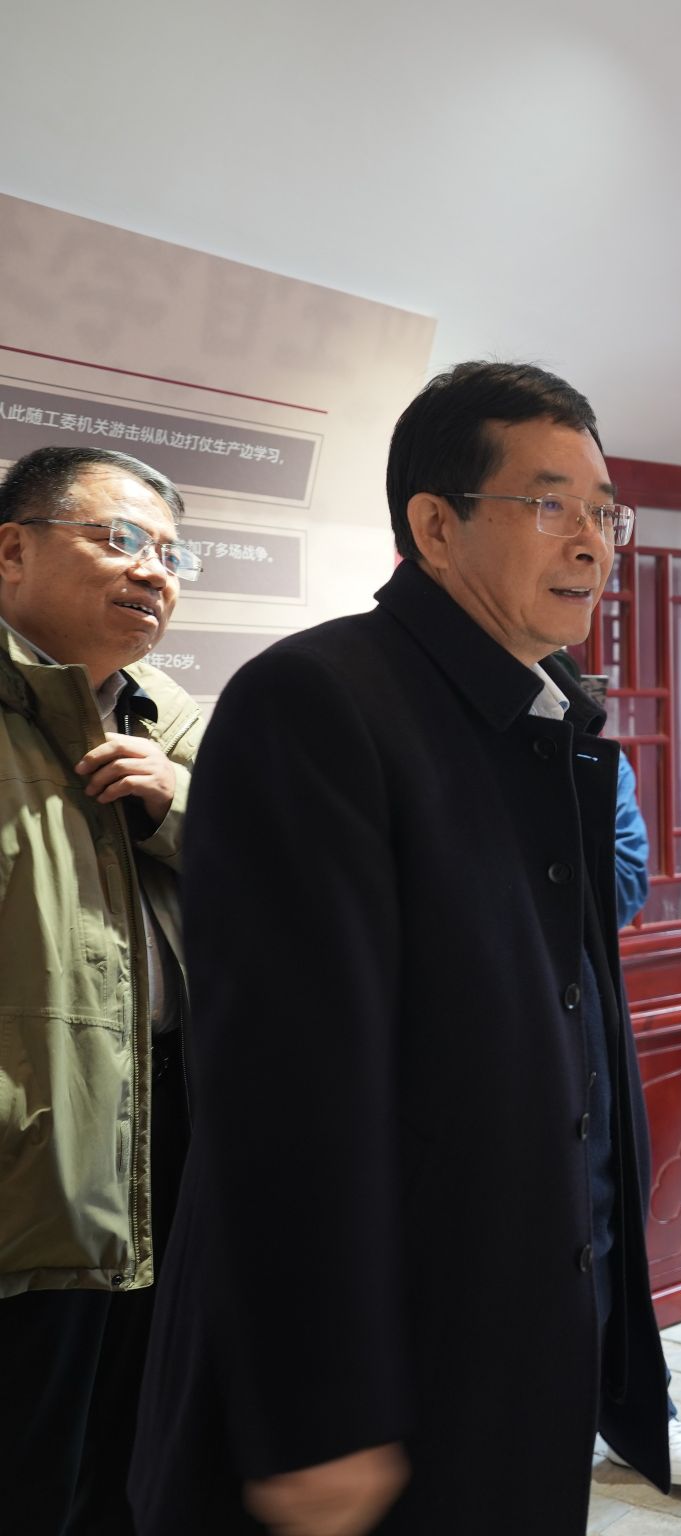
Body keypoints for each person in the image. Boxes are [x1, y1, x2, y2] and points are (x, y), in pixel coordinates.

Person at [129, 362, 671, 1535]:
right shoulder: (317, 704)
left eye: (602, 510)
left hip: (509, 1339)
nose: (591, 542)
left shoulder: (545, 717)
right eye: (550, 504)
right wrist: (320, 1416)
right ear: (434, 526)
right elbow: (283, 1092)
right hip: (376, 1381)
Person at [0, 445, 203, 1535]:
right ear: (12, 550)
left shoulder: (173, 720)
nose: (153, 570)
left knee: (134, 1463)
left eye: (170, 552)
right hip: (32, 1164)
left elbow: (290, 888)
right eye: (120, 539)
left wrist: (180, 805)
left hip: (166, 1142)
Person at [591, 750, 681, 1489]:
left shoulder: (592, 756)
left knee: (603, 1215)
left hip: (578, 1006)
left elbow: (623, 885)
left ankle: (637, 1411)